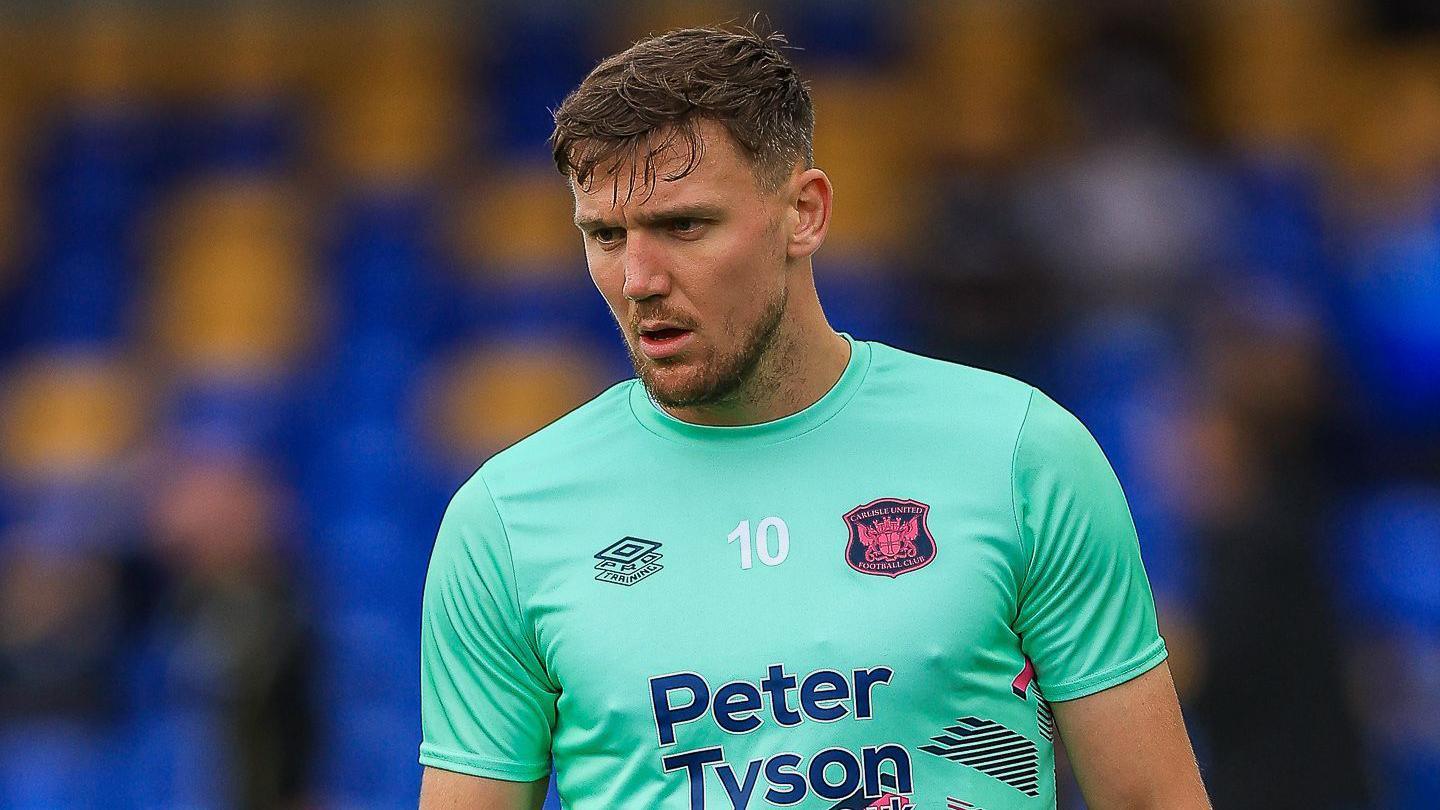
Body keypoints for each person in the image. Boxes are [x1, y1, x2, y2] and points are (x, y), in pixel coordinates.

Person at [418, 23, 1210, 810]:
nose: (639, 279)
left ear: (805, 213)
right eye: (605, 235)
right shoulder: (507, 522)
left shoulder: (1018, 455)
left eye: (683, 225)